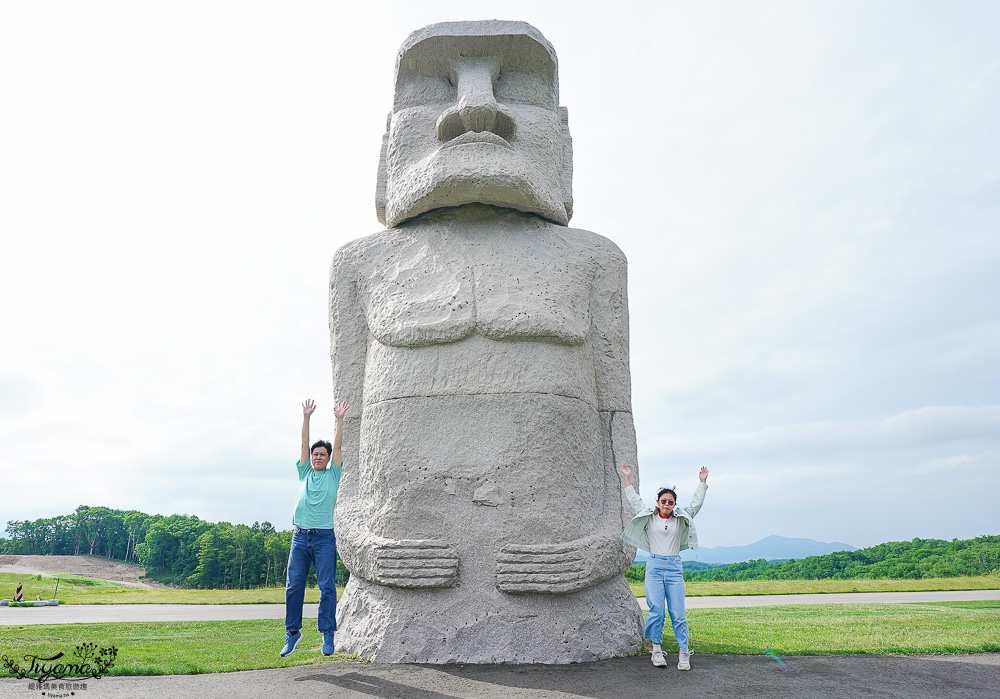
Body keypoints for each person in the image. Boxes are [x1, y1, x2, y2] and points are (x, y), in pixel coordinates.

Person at [620, 464, 709, 670]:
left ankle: (684, 653)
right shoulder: (650, 516)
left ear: (675, 503)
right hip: (654, 566)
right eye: (663, 501)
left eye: (670, 501)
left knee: (678, 612)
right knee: (656, 610)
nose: (667, 504)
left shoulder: (680, 518)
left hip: (674, 567)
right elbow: (634, 500)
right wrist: (627, 478)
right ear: (658, 503)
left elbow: (696, 504)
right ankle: (657, 651)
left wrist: (702, 483)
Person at [280, 398, 349, 658]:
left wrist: (339, 420)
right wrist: (306, 417)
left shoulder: (334, 474)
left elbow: (339, 444)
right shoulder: (305, 472)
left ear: (329, 459)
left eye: (322, 454)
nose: (318, 457)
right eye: (315, 454)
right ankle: (293, 633)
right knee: (293, 586)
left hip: (323, 538)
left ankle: (327, 633)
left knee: (327, 587)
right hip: (300, 537)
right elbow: (302, 443)